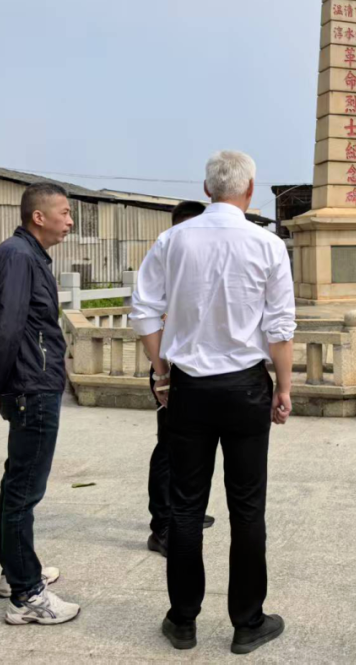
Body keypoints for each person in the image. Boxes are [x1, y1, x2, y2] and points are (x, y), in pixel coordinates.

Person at [131, 150, 296, 655]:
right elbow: (280, 325)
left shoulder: (173, 240)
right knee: (247, 508)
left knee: (185, 506)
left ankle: (183, 620)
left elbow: (144, 310)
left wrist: (162, 372)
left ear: (207, 190)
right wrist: (284, 388)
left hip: (188, 388)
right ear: (250, 190)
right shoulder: (268, 244)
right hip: (246, 387)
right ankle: (248, 622)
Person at [0, 182, 80, 626]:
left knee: (17, 483)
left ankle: (14, 571)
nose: (70, 221)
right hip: (30, 387)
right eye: (64, 212)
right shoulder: (19, 256)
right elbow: (8, 327)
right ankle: (27, 595)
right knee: (23, 490)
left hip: (29, 383)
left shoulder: (25, 254)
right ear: (39, 216)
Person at [144, 199, 216, 557]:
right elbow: (146, 316)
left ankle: (185, 510)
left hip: (196, 367)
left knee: (192, 448)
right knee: (169, 448)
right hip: (170, 367)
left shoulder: (196, 262)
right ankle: (162, 525)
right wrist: (161, 372)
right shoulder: (164, 260)